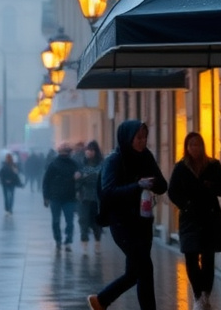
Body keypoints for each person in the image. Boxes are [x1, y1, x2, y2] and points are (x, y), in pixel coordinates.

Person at [88, 120, 167, 310]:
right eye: (138, 137)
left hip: (143, 221)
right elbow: (108, 192)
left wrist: (153, 183)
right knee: (145, 269)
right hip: (122, 223)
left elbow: (163, 185)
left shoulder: (146, 156)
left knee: (135, 272)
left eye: (145, 137)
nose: (142, 141)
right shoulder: (114, 160)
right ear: (128, 138)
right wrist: (137, 186)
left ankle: (101, 301)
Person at [167, 132, 221, 310]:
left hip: (209, 218)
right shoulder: (181, 167)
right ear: (186, 147)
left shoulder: (213, 165)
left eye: (197, 144)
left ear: (202, 146)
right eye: (191, 145)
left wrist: (212, 186)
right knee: (190, 257)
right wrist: (185, 205)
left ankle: (205, 295)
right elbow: (172, 191)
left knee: (208, 258)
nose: (194, 148)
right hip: (190, 219)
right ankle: (197, 295)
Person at [42, 143, 80, 251]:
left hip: (68, 197)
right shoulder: (53, 164)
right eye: (62, 150)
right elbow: (46, 181)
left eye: (65, 150)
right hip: (56, 197)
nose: (64, 153)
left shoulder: (74, 164)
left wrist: (79, 176)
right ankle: (58, 239)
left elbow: (81, 175)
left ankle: (67, 240)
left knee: (69, 221)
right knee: (57, 220)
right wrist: (46, 196)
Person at [77, 140, 104, 255]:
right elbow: (77, 182)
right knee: (83, 220)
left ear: (96, 151)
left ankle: (97, 243)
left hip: (97, 199)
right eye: (88, 149)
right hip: (84, 198)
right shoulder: (81, 164)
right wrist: (79, 179)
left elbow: (104, 179)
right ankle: (84, 245)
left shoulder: (101, 164)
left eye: (92, 150)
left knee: (96, 222)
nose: (89, 152)